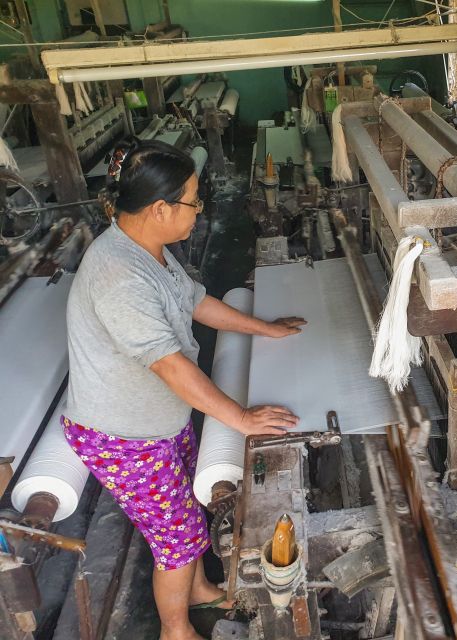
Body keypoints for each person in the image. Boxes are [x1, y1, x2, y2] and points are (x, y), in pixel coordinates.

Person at [63, 139, 306, 640]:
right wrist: (240, 419)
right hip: (123, 435)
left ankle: (196, 592)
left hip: (159, 420)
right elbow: (171, 367)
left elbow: (196, 301)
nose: (200, 210)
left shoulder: (147, 250)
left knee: (184, 517)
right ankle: (176, 631)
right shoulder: (120, 277)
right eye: (194, 201)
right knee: (173, 540)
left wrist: (264, 328)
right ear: (159, 208)